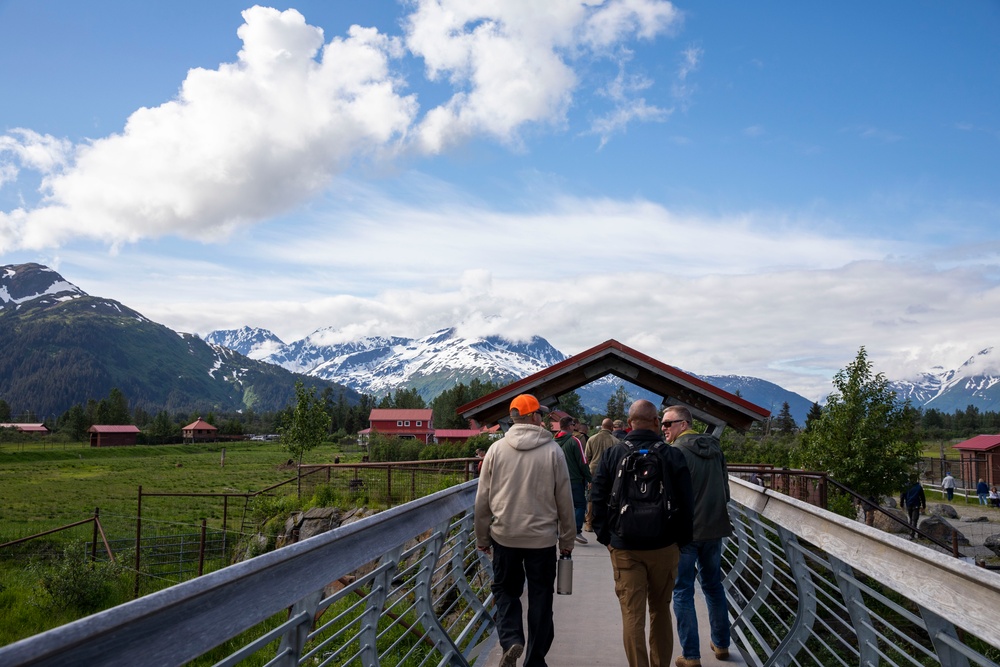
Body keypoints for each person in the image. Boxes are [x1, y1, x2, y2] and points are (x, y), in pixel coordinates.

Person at [475, 394, 576, 667]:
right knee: (541, 597)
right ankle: (535, 660)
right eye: (540, 414)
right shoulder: (553, 451)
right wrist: (567, 539)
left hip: (504, 536)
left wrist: (482, 536)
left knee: (506, 590)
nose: (542, 418)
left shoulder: (496, 450)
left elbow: (483, 498)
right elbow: (564, 500)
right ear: (533, 417)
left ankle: (511, 640)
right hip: (542, 540)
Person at [591, 400, 694, 667]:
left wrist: (608, 539)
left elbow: (598, 497)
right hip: (664, 545)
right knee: (660, 610)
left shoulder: (614, 455)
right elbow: (686, 503)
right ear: (656, 422)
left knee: (632, 615)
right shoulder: (672, 455)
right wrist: (680, 541)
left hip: (625, 546)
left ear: (629, 424)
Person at [663, 405, 733, 667]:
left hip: (685, 533)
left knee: (682, 591)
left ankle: (691, 655)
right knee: (713, 586)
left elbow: (668, 495)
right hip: (715, 530)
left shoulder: (675, 452)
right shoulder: (715, 449)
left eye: (668, 423)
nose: (664, 429)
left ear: (684, 424)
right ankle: (722, 643)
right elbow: (725, 491)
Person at [555, 415, 591, 544]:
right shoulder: (574, 441)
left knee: (560, 506)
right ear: (570, 426)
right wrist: (589, 478)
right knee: (580, 505)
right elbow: (583, 461)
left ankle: (559, 530)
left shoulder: (553, 442)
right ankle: (576, 531)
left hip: (557, 480)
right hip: (574, 479)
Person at [583, 418, 620, 532]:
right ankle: (607, 523)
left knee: (591, 498)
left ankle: (589, 523)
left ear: (602, 426)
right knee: (609, 497)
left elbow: (586, 458)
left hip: (593, 471)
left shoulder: (592, 439)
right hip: (609, 472)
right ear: (611, 427)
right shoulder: (616, 441)